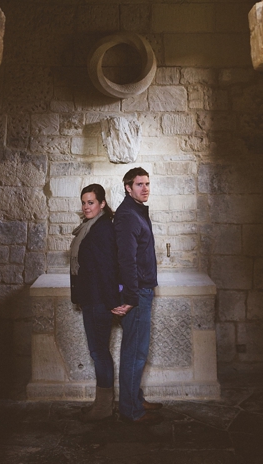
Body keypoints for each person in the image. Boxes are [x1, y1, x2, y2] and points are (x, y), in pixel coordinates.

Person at [112, 166, 163, 424]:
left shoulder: (136, 211)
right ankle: (130, 410)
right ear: (128, 187)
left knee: (138, 351)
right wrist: (131, 297)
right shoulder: (129, 215)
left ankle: (135, 398)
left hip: (141, 290)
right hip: (137, 293)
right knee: (135, 352)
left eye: (147, 183)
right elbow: (126, 261)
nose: (145, 188)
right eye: (139, 184)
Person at [69, 184, 119, 422]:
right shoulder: (91, 227)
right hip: (92, 299)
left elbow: (108, 269)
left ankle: (104, 407)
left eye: (91, 202)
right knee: (98, 352)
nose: (86, 207)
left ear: (102, 204)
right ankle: (101, 404)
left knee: (100, 353)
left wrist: (112, 303)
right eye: (84, 202)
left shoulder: (101, 229)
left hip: (100, 301)